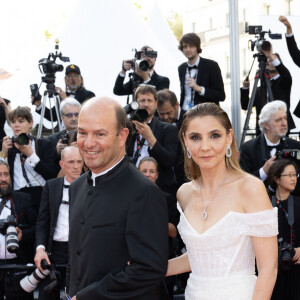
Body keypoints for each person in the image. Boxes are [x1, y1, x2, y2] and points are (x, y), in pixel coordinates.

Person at [166, 103, 278, 299]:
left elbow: (268, 268)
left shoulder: (250, 188)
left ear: (228, 137)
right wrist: (150, 268)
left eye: (214, 135)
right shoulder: (184, 193)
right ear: (185, 141)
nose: (205, 146)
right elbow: (201, 256)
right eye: (195, 137)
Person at [67, 97, 169, 299]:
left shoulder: (143, 192)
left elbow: (149, 270)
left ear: (122, 136)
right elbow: (77, 255)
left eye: (100, 134)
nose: (88, 143)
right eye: (82, 133)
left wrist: (87, 297)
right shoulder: (76, 187)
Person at [34, 146, 83, 300]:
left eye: (79, 162)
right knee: (47, 294)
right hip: (54, 251)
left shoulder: (94, 186)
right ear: (62, 164)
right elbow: (43, 221)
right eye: (71, 162)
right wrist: (40, 248)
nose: (76, 166)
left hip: (81, 251)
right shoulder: (51, 186)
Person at [138, 157, 179, 300]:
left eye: (151, 171)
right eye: (144, 171)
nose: (148, 174)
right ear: (138, 173)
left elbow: (174, 232)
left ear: (157, 175)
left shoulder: (167, 199)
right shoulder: (128, 199)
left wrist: (153, 219)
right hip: (136, 262)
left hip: (163, 261)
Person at [0, 107, 55, 213]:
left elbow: (51, 175)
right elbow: (4, 176)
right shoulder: (8, 147)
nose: (16, 125)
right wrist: (3, 154)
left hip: (40, 193)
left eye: (21, 121)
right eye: (13, 122)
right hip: (17, 195)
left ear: (30, 123)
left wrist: (31, 154)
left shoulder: (43, 144)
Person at [127, 86, 179, 196]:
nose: (146, 104)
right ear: (136, 103)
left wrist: (150, 138)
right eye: (142, 100)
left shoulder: (169, 129)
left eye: (149, 100)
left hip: (159, 190)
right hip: (132, 187)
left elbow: (168, 161)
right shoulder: (128, 127)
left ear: (156, 104)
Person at [239, 101, 300, 183]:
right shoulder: (248, 148)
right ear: (266, 125)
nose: (284, 123)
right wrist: (263, 171)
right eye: (278, 120)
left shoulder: (295, 146)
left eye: (285, 118)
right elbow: (243, 182)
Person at [0, 160, 36, 300]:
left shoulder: (24, 199)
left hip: (18, 268)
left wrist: (22, 235)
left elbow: (37, 229)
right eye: (0, 175)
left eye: (6, 174)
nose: (3, 179)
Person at [240, 45, 295, 133]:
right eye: (268, 60)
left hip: (280, 128)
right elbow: (245, 106)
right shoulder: (260, 89)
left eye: (272, 60)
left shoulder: (284, 82)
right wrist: (245, 88)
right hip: (263, 130)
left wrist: (270, 55)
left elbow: (285, 74)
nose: (270, 62)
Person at [266, 159, 300, 300]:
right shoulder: (266, 205)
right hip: (272, 268)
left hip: (297, 267)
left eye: (295, 175)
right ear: (277, 178)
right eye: (289, 175)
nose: (293, 179)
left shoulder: (299, 203)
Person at [178, 33, 225, 110]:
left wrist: (199, 89)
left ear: (197, 47)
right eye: (185, 46)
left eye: (191, 46)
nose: (188, 49)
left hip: (205, 114)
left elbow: (221, 96)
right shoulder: (181, 68)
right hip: (186, 113)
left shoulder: (211, 66)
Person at [157, 89, 187, 187]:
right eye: (161, 114)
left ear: (177, 105)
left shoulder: (190, 119)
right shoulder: (156, 123)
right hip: (166, 181)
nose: (165, 117)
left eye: (168, 112)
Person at [47, 99, 81, 175]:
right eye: (69, 115)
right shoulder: (52, 140)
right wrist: (57, 152)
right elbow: (48, 169)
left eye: (76, 114)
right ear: (62, 117)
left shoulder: (89, 136)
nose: (74, 118)